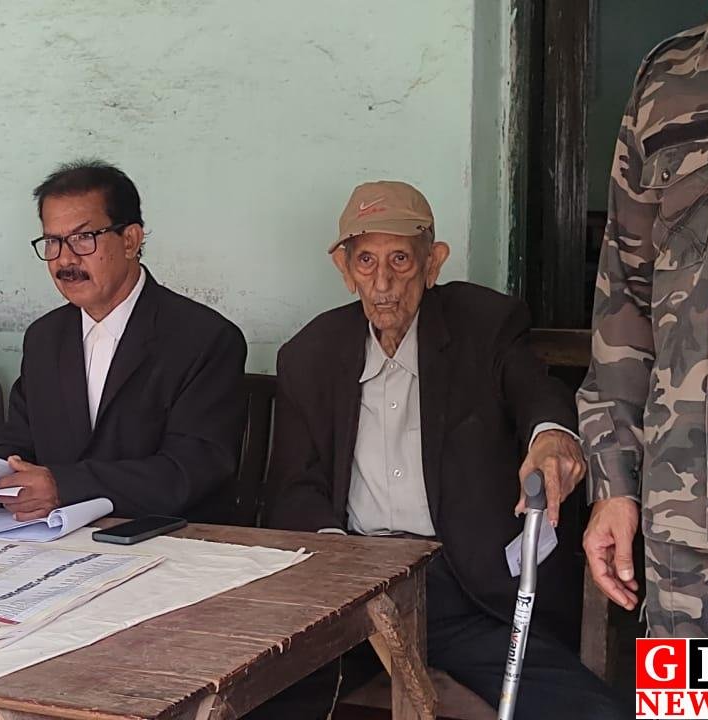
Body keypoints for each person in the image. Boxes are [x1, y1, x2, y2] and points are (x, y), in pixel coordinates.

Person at [264, 182, 624, 719]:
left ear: (432, 263)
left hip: (462, 591)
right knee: (262, 697)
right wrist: (340, 568)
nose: (382, 283)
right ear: (344, 269)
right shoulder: (310, 354)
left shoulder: (484, 325)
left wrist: (552, 435)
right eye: (366, 261)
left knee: (587, 712)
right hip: (352, 586)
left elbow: (536, 391)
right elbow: (295, 487)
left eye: (400, 260)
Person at [579, 0, 708, 639]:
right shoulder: (667, 77)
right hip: (693, 529)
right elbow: (625, 297)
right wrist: (614, 484)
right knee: (704, 696)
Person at [0, 160, 247, 521]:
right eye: (52, 242)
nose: (65, 260)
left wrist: (64, 487)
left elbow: (190, 470)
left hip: (168, 536)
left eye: (83, 238)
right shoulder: (44, 337)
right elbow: (16, 440)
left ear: (130, 241)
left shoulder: (204, 338)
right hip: (50, 536)